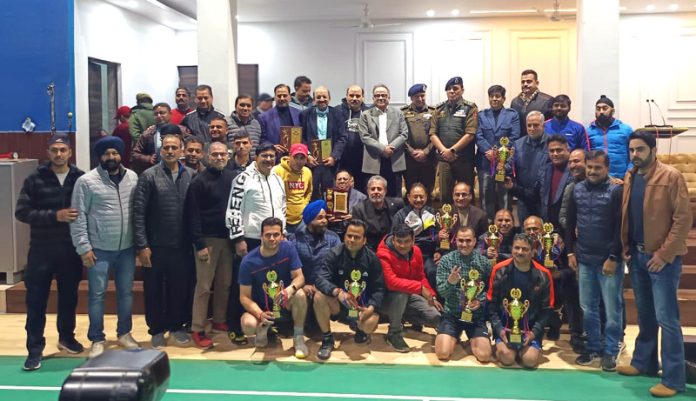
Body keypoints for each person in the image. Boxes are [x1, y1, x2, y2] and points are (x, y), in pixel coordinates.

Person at [617, 131, 692, 397]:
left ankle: (673, 380)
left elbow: (683, 220)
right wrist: (626, 247)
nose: (635, 155)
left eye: (639, 149)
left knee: (667, 319)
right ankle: (643, 363)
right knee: (646, 315)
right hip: (636, 256)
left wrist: (664, 254)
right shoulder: (631, 176)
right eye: (631, 150)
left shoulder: (670, 176)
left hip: (662, 260)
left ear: (653, 149)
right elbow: (630, 214)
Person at [16, 134, 85, 371]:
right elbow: (22, 212)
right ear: (48, 152)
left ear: (70, 152)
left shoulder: (80, 178)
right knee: (36, 301)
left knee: (69, 298)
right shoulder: (35, 178)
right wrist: (54, 216)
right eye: (54, 150)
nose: (58, 154)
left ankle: (67, 338)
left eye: (62, 150)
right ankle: (34, 349)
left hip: (70, 250)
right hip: (41, 250)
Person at [70, 136, 140, 358]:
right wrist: (83, 247)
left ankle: (124, 333)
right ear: (100, 156)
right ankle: (97, 338)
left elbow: (137, 212)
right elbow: (78, 217)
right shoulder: (86, 181)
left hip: (127, 248)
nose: (112, 157)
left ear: (121, 155)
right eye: (107, 154)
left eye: (115, 153)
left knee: (126, 294)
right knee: (97, 295)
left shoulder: (133, 177)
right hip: (98, 250)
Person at [133, 134, 195, 349]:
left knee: (180, 288)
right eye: (166, 147)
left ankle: (177, 327)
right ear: (160, 151)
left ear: (182, 151)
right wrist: (142, 245)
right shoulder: (148, 176)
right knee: (154, 289)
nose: (170, 151)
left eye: (174, 147)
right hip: (155, 246)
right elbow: (138, 212)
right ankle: (157, 330)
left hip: (182, 245)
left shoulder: (191, 175)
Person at [565, 150, 624, 371]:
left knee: (612, 308)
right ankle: (593, 347)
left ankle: (610, 350)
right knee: (587, 307)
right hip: (585, 259)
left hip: (608, 260)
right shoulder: (576, 190)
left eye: (597, 168)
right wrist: (571, 252)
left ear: (607, 169)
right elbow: (570, 224)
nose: (592, 171)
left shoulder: (616, 191)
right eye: (590, 167)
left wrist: (614, 257)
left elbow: (621, 227)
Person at [185, 141, 237, 348]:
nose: (219, 158)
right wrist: (199, 244)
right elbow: (193, 215)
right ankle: (198, 328)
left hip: (229, 239)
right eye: (214, 154)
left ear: (228, 155)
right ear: (207, 156)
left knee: (224, 283)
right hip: (207, 240)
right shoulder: (199, 181)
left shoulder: (233, 178)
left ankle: (218, 320)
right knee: (204, 286)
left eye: (222, 154)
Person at [238, 217, 309, 359]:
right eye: (268, 235)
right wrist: (259, 314)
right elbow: (244, 297)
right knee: (248, 324)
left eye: (276, 234)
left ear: (282, 236)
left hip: (284, 303)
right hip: (262, 308)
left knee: (300, 294)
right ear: (261, 237)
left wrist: (289, 290)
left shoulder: (288, 248)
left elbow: (300, 277)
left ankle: (298, 337)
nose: (272, 238)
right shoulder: (248, 261)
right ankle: (262, 331)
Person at [314, 219, 385, 360]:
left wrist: (371, 308)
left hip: (361, 308)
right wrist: (337, 292)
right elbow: (320, 279)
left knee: (370, 324)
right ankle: (327, 339)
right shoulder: (334, 254)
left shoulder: (372, 259)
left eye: (357, 237)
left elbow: (379, 288)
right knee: (318, 297)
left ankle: (360, 329)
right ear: (344, 236)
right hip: (339, 305)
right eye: (349, 236)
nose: (351, 240)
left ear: (364, 240)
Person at [487, 234, 554, 369]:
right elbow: (491, 305)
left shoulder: (544, 274)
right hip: (505, 328)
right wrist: (499, 330)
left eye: (525, 249)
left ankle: (526, 350)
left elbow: (547, 310)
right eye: (516, 248)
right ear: (512, 249)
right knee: (507, 358)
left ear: (533, 251)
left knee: (529, 361)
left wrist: (534, 333)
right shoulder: (499, 269)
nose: (520, 252)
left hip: (530, 329)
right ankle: (505, 347)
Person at [377, 224, 442, 353]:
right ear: (393, 239)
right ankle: (394, 333)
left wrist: (432, 295)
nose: (402, 245)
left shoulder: (416, 251)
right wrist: (420, 288)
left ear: (413, 240)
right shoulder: (382, 254)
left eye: (407, 241)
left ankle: (403, 317)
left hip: (409, 295)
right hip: (386, 298)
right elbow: (391, 282)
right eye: (399, 242)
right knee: (400, 293)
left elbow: (420, 276)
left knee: (435, 317)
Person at [435, 226, 492, 362]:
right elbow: (442, 293)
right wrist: (450, 281)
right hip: (452, 315)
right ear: (455, 241)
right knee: (443, 354)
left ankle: (472, 339)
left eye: (468, 241)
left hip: (476, 317)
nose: (464, 244)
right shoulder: (446, 261)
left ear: (474, 242)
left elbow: (491, 291)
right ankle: (454, 336)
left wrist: (480, 301)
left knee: (484, 356)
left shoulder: (484, 263)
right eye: (461, 241)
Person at [227, 143, 286, 254]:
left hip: (275, 238)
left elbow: (282, 208)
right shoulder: (242, 179)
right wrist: (238, 239)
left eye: (272, 156)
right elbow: (234, 210)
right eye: (264, 156)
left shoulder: (278, 180)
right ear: (256, 157)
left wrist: (283, 232)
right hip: (251, 238)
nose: (268, 159)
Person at [475, 84, 520, 220]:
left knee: (505, 196)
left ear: (504, 98)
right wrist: (489, 151)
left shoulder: (512, 115)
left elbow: (515, 136)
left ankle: (505, 226)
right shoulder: (481, 115)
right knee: (485, 197)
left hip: (504, 163)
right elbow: (478, 135)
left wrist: (500, 153)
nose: (495, 99)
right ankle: (487, 228)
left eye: (498, 96)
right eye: (492, 96)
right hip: (485, 162)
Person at [431, 76, 479, 201]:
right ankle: (448, 221)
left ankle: (468, 221)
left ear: (462, 90)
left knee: (466, 195)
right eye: (449, 89)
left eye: (455, 88)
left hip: (464, 160)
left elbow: (470, 134)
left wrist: (452, 151)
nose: (452, 91)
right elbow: (432, 134)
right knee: (445, 196)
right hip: (444, 160)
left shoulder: (470, 107)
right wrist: (445, 152)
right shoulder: (439, 108)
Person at [358, 84, 408, 197]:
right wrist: (383, 149)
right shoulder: (366, 115)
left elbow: (404, 133)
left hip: (394, 158)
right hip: (374, 159)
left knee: (395, 195)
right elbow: (365, 137)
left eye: (384, 95)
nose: (381, 97)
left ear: (389, 97)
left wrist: (391, 148)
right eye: (377, 95)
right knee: (374, 194)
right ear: (373, 98)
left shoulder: (398, 113)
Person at [287, 200, 341, 299]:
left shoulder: (333, 238)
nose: (324, 220)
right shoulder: (295, 240)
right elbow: (291, 270)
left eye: (325, 217)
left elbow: (337, 268)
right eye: (320, 218)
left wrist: (323, 286)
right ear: (309, 221)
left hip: (327, 288)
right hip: (302, 287)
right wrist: (303, 286)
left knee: (320, 297)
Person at [301, 86, 347, 199]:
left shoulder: (337, 114)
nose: (322, 99)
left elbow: (342, 137)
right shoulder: (305, 114)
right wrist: (307, 155)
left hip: (331, 163)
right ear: (314, 99)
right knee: (312, 193)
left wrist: (334, 157)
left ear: (329, 98)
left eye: (324, 96)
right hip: (312, 162)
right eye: (318, 97)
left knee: (330, 194)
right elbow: (301, 138)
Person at [392, 183, 438, 291]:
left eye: (421, 196)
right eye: (415, 197)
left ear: (426, 197)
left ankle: (435, 301)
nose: (418, 199)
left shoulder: (432, 212)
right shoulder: (400, 215)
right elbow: (393, 237)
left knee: (433, 272)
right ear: (408, 197)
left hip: (428, 255)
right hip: (408, 254)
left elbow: (438, 234)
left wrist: (438, 250)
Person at [509, 111, 551, 223]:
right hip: (523, 198)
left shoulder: (552, 144)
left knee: (545, 232)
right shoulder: (517, 144)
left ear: (543, 125)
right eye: (529, 125)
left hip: (544, 199)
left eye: (536, 125)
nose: (532, 128)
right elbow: (510, 165)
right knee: (525, 233)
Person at [401, 84, 438, 196]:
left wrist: (425, 152)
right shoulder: (403, 112)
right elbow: (400, 134)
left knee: (428, 190)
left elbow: (437, 134)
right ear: (411, 98)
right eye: (417, 96)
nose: (420, 99)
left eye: (422, 95)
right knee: (410, 190)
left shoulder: (434, 112)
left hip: (429, 158)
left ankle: (428, 213)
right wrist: (412, 152)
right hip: (409, 159)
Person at [587, 95, 634, 180]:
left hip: (621, 179)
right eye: (598, 109)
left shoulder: (626, 130)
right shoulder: (588, 131)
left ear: (612, 111)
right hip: (597, 179)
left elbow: (634, 154)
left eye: (605, 108)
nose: (601, 112)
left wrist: (629, 173)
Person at [352, 175, 404, 251]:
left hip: (392, 247)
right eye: (373, 189)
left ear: (385, 191)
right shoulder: (359, 209)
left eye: (379, 189)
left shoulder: (397, 204)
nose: (376, 192)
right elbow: (358, 235)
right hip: (369, 249)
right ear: (368, 191)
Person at [436, 182, 489, 258]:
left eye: (464, 194)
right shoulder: (442, 213)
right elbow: (434, 239)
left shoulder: (481, 215)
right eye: (457, 195)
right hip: (449, 255)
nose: (460, 198)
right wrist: (439, 236)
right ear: (453, 196)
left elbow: (483, 240)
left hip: (473, 256)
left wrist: (476, 254)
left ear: (470, 196)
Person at [338, 84, 371, 193]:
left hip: (363, 159)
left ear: (363, 97)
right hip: (342, 159)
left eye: (358, 96)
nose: (354, 99)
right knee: (343, 188)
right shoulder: (337, 111)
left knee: (363, 189)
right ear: (346, 96)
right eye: (351, 95)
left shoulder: (370, 112)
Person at [259, 84, 301, 155]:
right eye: (279, 96)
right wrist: (272, 147)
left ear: (290, 97)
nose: (282, 98)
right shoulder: (263, 117)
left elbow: (304, 136)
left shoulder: (299, 114)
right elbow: (262, 139)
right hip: (274, 157)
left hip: (295, 156)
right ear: (275, 98)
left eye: (285, 95)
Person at [510, 69, 553, 136]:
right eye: (523, 82)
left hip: (541, 142)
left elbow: (551, 125)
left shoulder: (547, 100)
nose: (525, 84)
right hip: (520, 143)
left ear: (537, 83)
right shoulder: (515, 102)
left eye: (529, 81)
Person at [326, 169, 367, 238]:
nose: (342, 181)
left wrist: (354, 217)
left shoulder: (362, 198)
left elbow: (366, 218)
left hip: (353, 232)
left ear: (351, 181)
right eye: (339, 179)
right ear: (335, 182)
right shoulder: (327, 196)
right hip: (332, 231)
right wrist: (328, 218)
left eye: (345, 179)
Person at [558, 149, 587, 230]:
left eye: (576, 161)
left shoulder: (604, 184)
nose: (572, 165)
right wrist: (574, 227)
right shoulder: (570, 188)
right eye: (570, 162)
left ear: (587, 162)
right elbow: (562, 217)